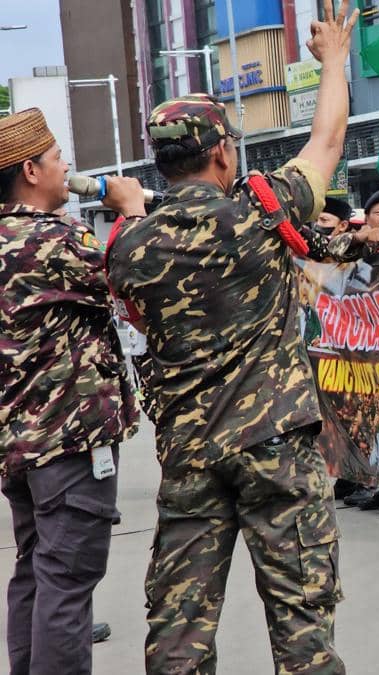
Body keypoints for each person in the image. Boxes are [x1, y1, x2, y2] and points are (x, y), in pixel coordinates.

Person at [105, 5, 375, 672]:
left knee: (179, 629)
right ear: (222, 152)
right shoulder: (257, 213)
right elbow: (327, 142)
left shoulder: (131, 247)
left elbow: (135, 302)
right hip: (274, 444)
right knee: (302, 624)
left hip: (190, 455)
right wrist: (334, 60)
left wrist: (131, 212)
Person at [0, 108, 144, 674]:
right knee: (66, 580)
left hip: (18, 445)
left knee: (36, 573)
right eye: (58, 158)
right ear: (31, 170)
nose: (67, 168)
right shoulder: (49, 238)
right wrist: (131, 212)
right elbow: (135, 277)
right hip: (67, 439)